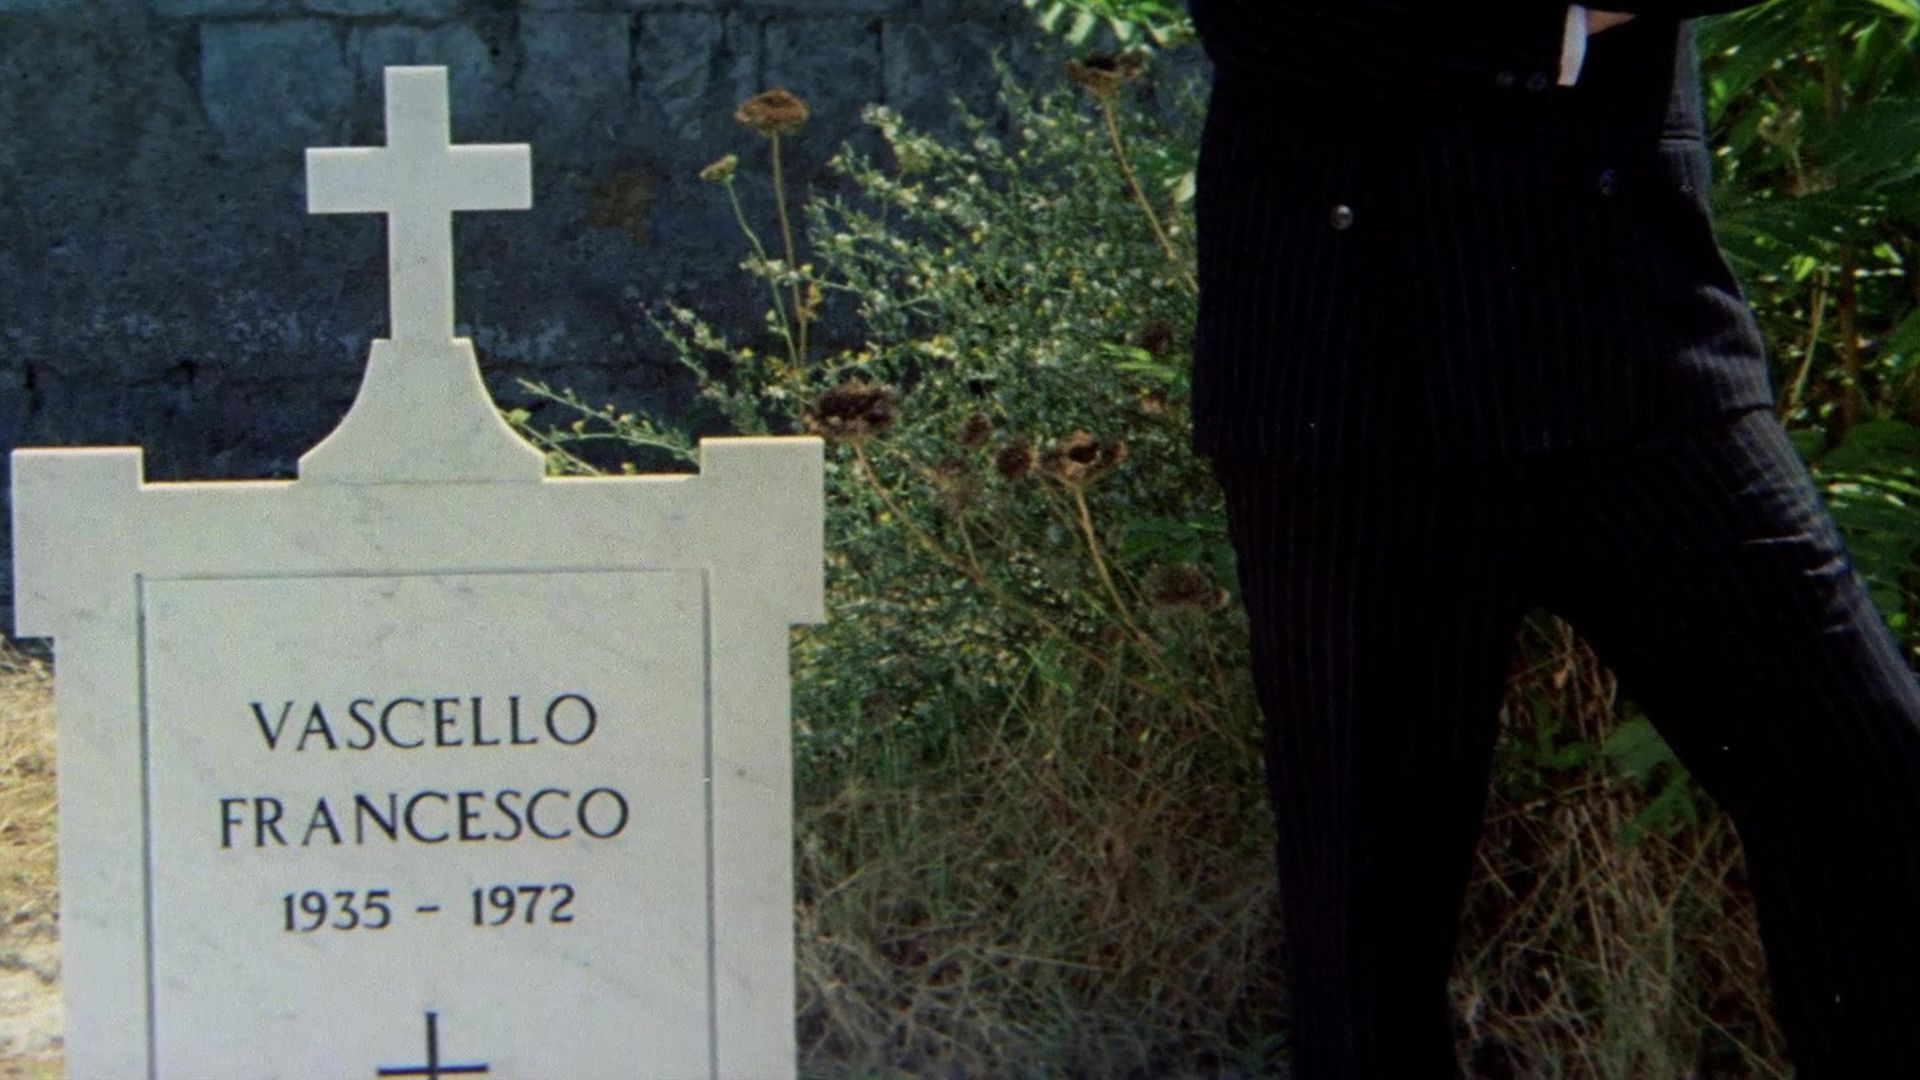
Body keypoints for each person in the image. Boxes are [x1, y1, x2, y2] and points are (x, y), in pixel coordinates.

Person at [1184, 2, 1920, 1076]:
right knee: (1366, 933)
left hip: (1634, 339)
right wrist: (1553, 20)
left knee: (1875, 784)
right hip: (1346, 372)